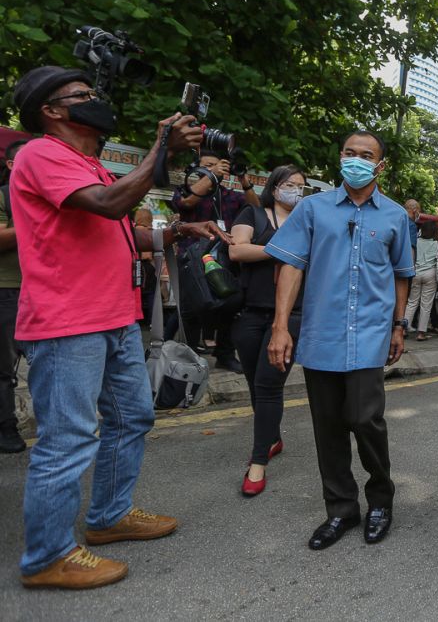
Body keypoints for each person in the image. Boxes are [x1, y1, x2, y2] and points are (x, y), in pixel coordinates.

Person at [10, 65, 227, 589]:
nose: (94, 99)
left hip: (116, 316)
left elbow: (121, 227)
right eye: (82, 94)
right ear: (52, 110)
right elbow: (106, 206)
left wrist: (175, 231)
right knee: (68, 438)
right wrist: (162, 148)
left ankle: (108, 516)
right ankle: (47, 556)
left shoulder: (89, 163)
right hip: (69, 322)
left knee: (132, 416)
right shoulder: (41, 153)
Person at [266, 130, 413, 550]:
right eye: (350, 153)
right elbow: (291, 268)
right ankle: (341, 510)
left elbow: (402, 273)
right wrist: (280, 326)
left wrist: (398, 325)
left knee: (366, 421)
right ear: (340, 157)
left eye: (366, 155)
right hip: (322, 334)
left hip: (369, 335)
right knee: (327, 427)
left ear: (380, 165)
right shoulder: (313, 209)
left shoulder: (395, 216)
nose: (356, 160)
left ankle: (381, 500)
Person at [229, 165, 308, 496]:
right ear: (274, 188)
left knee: (268, 384)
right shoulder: (253, 213)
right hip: (249, 313)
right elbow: (237, 249)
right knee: (254, 384)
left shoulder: (308, 220)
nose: (296, 191)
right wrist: (283, 251)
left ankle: (258, 461)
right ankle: (272, 437)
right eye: (290, 184)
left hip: (291, 316)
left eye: (302, 187)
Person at [171, 149, 259, 373]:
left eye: (218, 165)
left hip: (222, 257)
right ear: (197, 168)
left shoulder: (229, 196)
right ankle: (188, 355)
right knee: (190, 309)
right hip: (191, 257)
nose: (213, 169)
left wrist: (243, 180)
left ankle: (225, 354)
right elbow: (186, 204)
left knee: (230, 303)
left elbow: (255, 208)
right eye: (208, 165)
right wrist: (212, 176)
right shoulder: (187, 189)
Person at [0, 139, 28, 453]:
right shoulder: (3, 195)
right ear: (10, 165)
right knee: (5, 367)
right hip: (7, 288)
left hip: (44, 289)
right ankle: (6, 428)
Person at [403, 220, 438, 341]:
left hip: (416, 272)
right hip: (431, 273)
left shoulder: (416, 241)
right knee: (426, 304)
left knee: (412, 302)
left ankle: (403, 329)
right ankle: (421, 333)